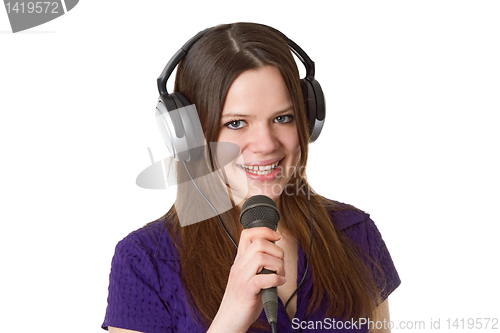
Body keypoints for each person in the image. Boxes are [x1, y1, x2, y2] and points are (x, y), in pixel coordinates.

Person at [102, 22, 400, 333]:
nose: (267, 144)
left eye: (282, 118)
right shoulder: (144, 261)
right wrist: (231, 315)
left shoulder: (355, 234)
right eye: (236, 123)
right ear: (189, 136)